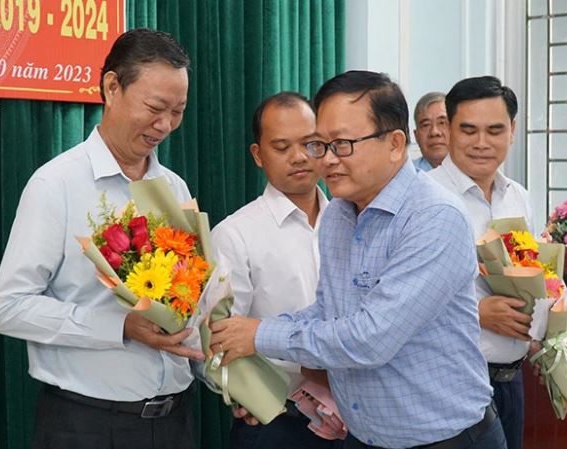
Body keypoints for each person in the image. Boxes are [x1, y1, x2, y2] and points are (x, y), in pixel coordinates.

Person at [208, 71, 506, 449]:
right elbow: (330, 311)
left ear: (395, 144)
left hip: (447, 440)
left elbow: (371, 338)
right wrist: (241, 335)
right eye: (322, 144)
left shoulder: (434, 216)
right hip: (363, 437)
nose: (327, 160)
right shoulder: (339, 214)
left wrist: (258, 335)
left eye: (343, 144)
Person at [0, 28, 205, 449]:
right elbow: (9, 308)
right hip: (87, 425)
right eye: (155, 108)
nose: (165, 125)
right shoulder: (56, 185)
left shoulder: (174, 188)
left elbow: (187, 305)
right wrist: (121, 326)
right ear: (111, 87)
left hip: (175, 422)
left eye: (177, 111)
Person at [211, 92, 337, 449]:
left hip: (358, 417)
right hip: (278, 422)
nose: (299, 157)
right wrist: (244, 393)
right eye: (281, 147)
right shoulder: (235, 234)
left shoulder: (351, 222)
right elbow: (217, 339)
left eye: (311, 144)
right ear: (258, 155)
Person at [428, 75, 533, 449]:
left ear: (513, 130)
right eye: (469, 130)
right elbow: (391, 301)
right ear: (447, 130)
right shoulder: (424, 198)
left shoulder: (518, 196)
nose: (482, 143)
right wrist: (476, 314)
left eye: (495, 130)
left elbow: (527, 271)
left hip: (512, 378)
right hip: (448, 382)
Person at [412, 91, 449, 171]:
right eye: (426, 125)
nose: (434, 132)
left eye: (442, 123)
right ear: (416, 136)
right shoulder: (405, 174)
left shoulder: (474, 171)